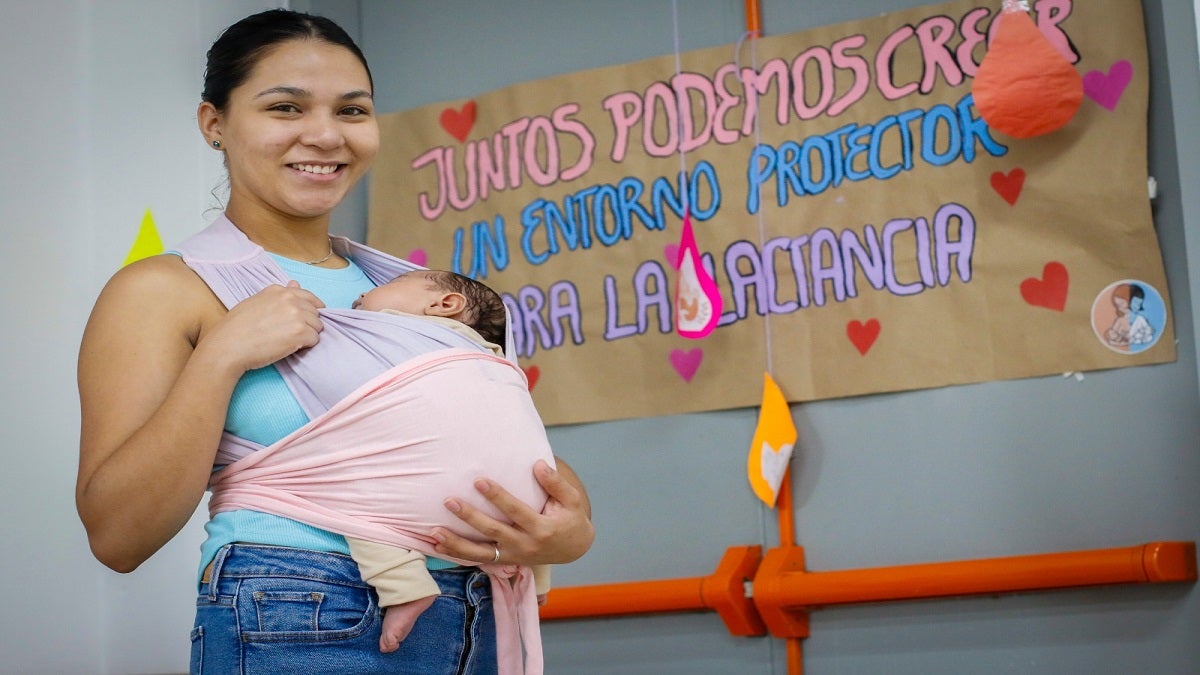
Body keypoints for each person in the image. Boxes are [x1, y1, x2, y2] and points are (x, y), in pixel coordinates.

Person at [75, 9, 593, 674]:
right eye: (285, 107)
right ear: (214, 123)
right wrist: (223, 355)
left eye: (352, 111)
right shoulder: (167, 289)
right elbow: (117, 536)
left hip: (476, 615)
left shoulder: (405, 288)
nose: (325, 135)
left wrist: (568, 528)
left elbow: (489, 440)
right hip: (303, 607)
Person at [345, 268, 552, 653]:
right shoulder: (492, 358)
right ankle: (535, 574)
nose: (359, 296)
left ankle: (404, 586)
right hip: (521, 490)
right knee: (529, 496)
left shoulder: (392, 331)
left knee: (351, 493)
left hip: (434, 487)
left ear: (444, 305)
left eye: (385, 286)